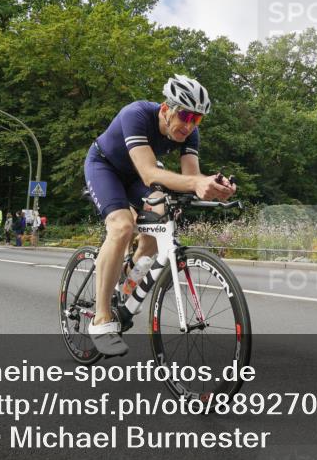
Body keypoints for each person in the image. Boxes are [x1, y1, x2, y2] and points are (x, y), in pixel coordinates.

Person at [84, 74, 236, 356]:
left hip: (135, 179)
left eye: (197, 119)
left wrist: (213, 186)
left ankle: (128, 277)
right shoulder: (136, 114)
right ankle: (101, 318)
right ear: (166, 109)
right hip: (106, 167)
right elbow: (149, 173)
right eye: (185, 115)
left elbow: (191, 178)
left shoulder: (190, 133)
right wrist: (195, 183)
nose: (189, 125)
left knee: (161, 215)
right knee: (122, 226)